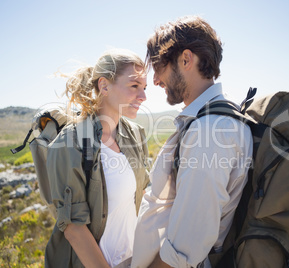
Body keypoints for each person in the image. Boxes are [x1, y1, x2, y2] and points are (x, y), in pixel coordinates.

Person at [131, 16, 253, 268]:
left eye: (159, 67)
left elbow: (184, 251)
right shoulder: (210, 119)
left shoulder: (209, 132)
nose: (155, 81)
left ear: (186, 59)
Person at [45, 49, 150, 268]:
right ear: (104, 86)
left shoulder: (135, 134)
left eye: (144, 88)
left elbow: (141, 194)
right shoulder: (71, 141)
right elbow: (73, 228)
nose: (143, 97)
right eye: (134, 86)